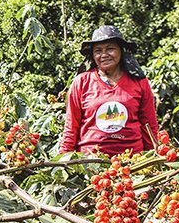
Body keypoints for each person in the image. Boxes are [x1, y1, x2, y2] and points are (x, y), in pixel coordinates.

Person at [59, 25, 158, 155]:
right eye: (98, 51)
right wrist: (62, 160)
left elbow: (149, 125)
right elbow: (71, 126)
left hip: (133, 162)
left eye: (110, 49)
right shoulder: (81, 82)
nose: (104, 55)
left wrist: (155, 157)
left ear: (121, 51)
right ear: (93, 55)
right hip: (90, 161)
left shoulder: (139, 82)